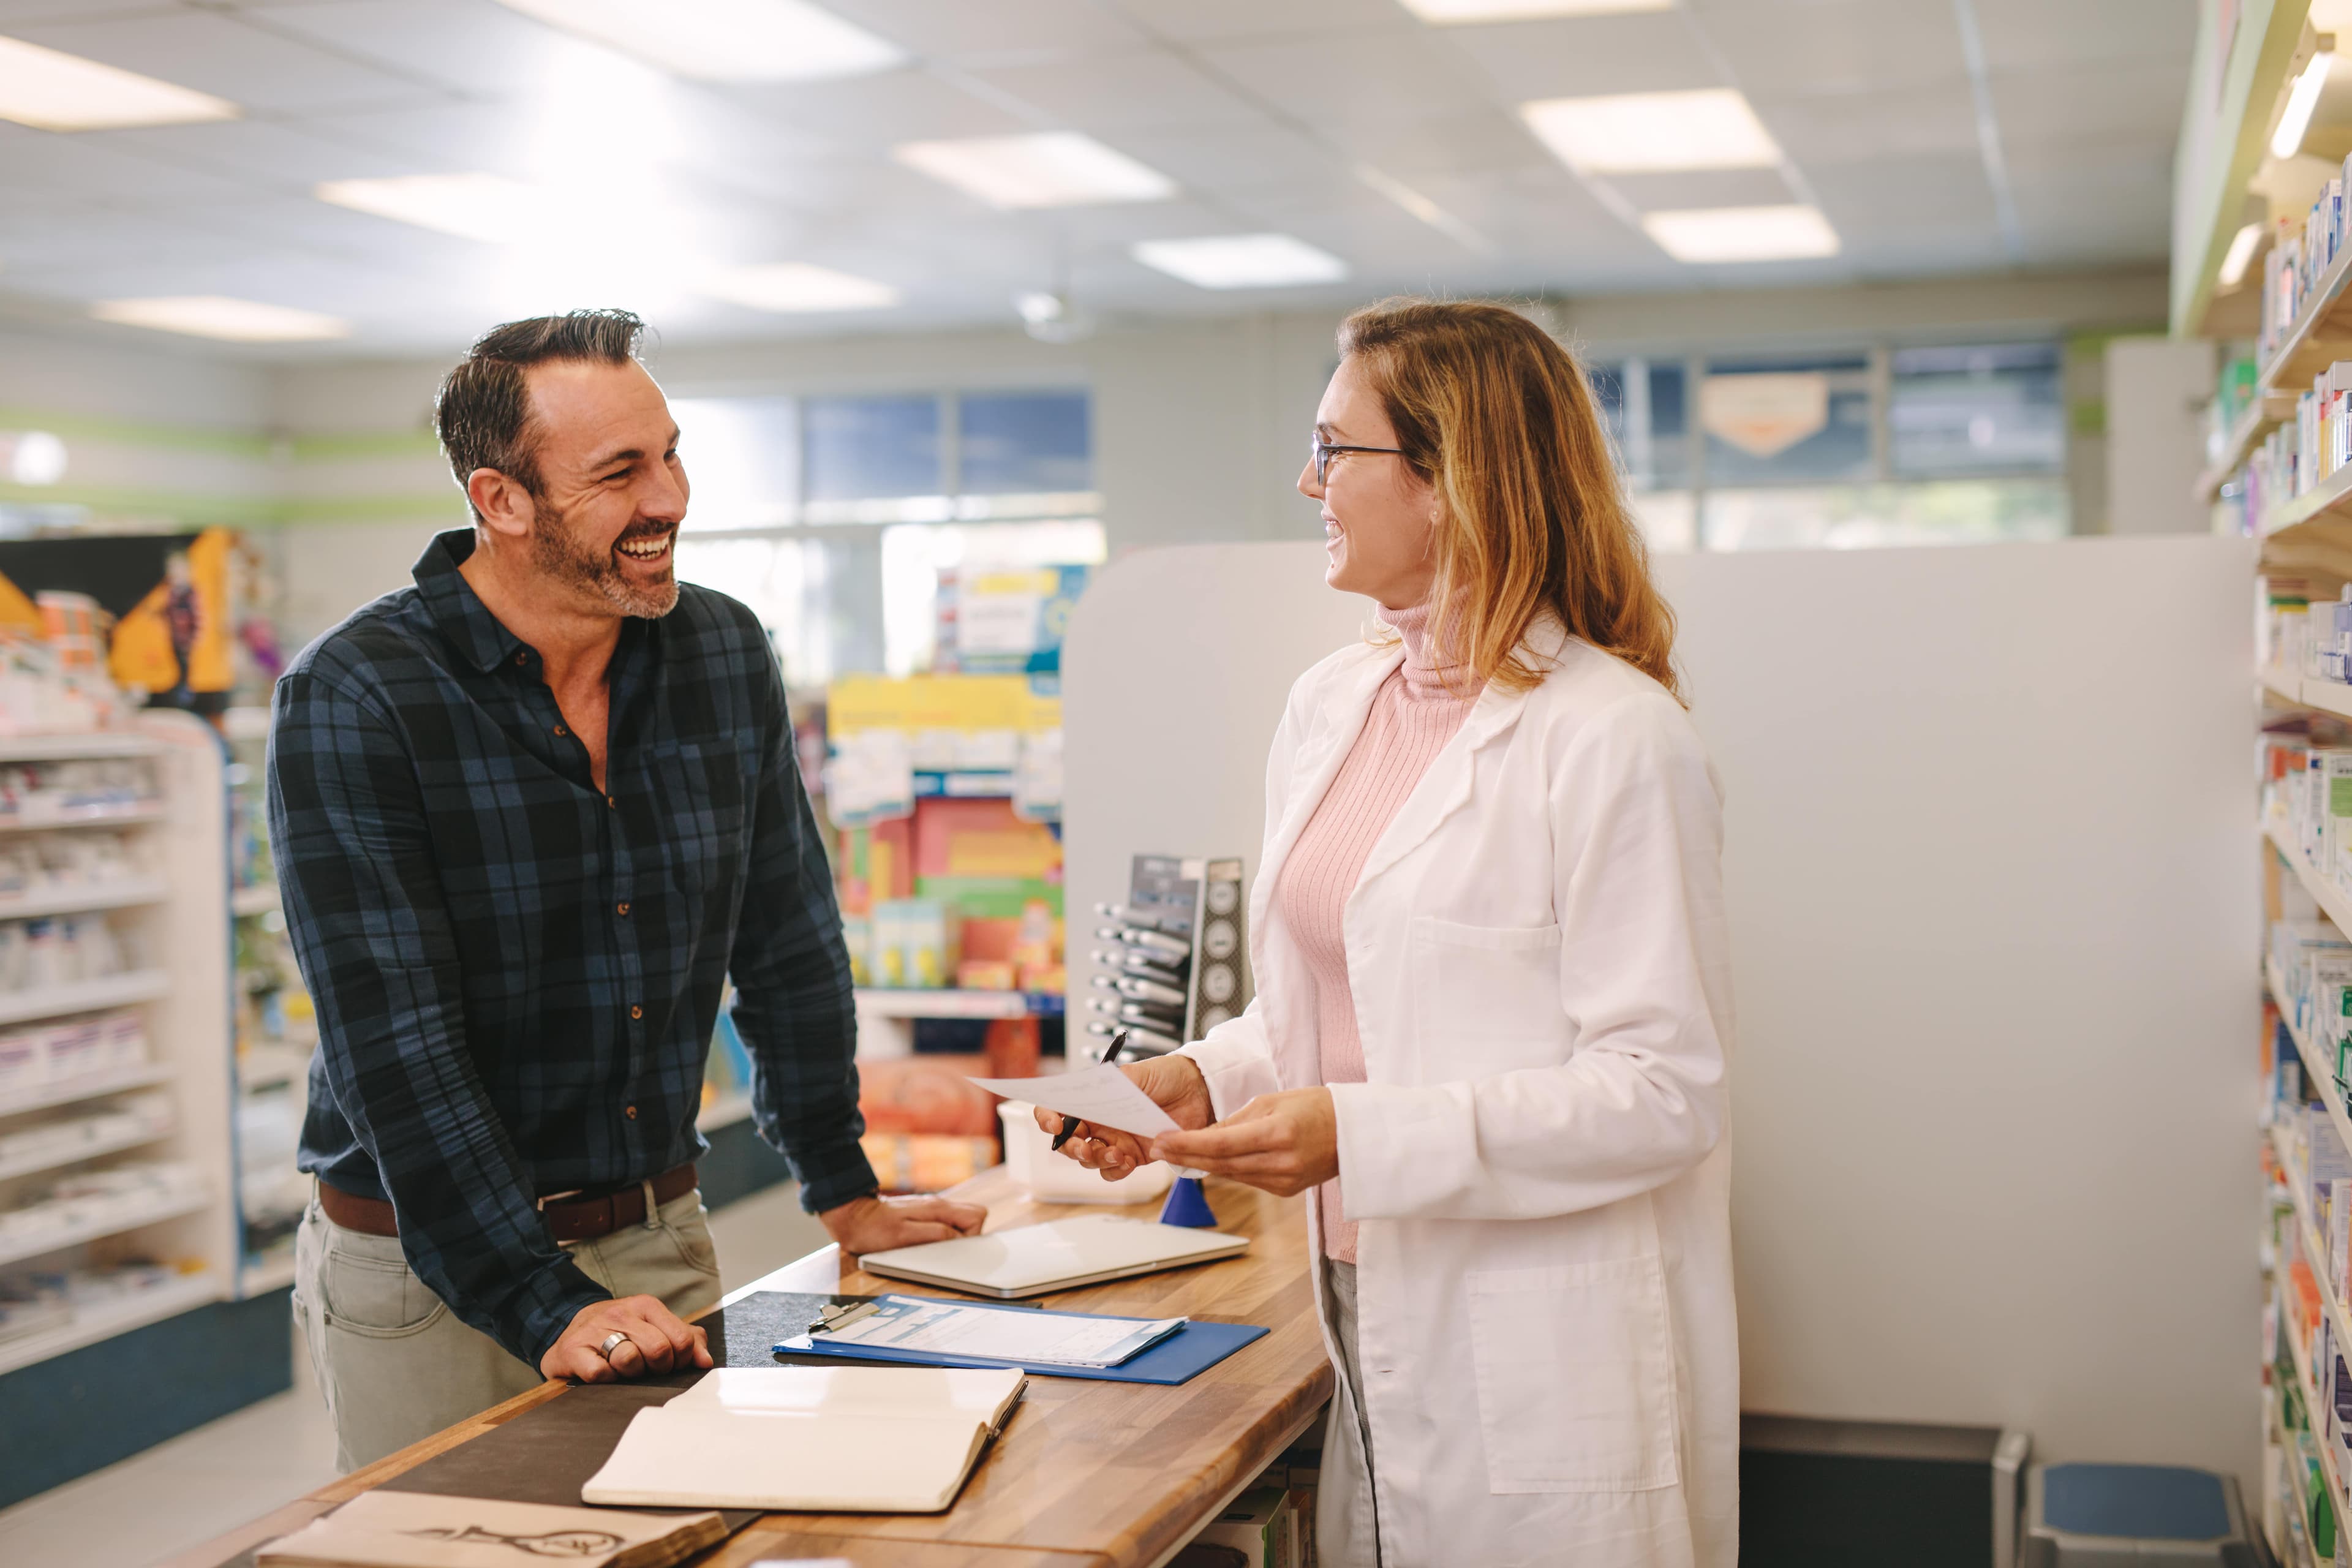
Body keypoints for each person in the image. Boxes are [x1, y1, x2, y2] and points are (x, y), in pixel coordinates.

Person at [1046, 299, 1735, 1567]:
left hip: (1541, 1333)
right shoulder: (1332, 705)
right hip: (1365, 1291)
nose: (1306, 479)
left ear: (1450, 477)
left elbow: (1662, 1092)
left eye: (1334, 447)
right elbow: (1334, 996)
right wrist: (1197, 1075)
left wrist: (1356, 1131)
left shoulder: (1616, 737)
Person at [268, 309, 982, 1471]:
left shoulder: (720, 653)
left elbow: (787, 936)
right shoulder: (359, 695)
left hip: (653, 1236)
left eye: (670, 453)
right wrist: (540, 1299)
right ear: (501, 500)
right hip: (425, 1268)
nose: (671, 499)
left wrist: (844, 1186)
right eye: (619, 473)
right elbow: (392, 1042)